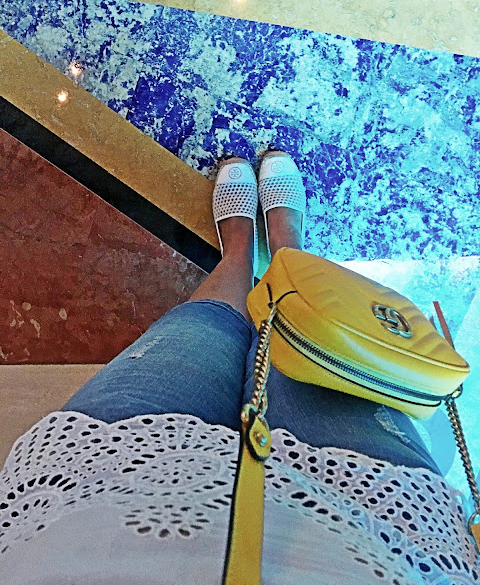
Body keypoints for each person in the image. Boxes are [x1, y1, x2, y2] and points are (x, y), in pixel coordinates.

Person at [1, 151, 478, 584]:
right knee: (321, 347)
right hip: (373, 528)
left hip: (104, 504)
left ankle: (240, 252)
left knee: (201, 328)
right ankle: (287, 251)